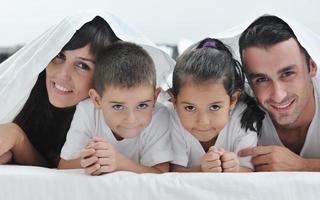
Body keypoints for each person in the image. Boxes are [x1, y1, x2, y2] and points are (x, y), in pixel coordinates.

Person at [0, 11, 174, 167]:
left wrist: (19, 141)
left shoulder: (119, 115)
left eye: (82, 65)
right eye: (59, 55)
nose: (62, 75)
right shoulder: (24, 93)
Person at [58, 42, 173, 175]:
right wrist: (93, 160)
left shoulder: (159, 115)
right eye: (118, 106)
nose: (131, 119)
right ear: (97, 99)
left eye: (142, 105)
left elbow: (161, 174)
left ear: (155, 98)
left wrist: (119, 163)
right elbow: (64, 165)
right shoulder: (87, 111)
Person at [237, 15, 320, 171]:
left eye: (287, 73)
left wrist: (303, 165)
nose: (278, 95)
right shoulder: (236, 107)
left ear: (312, 66)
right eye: (261, 79)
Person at [168, 38, 262, 173]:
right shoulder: (171, 118)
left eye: (215, 107)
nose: (203, 122)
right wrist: (202, 169)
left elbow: (249, 170)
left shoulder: (243, 118)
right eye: (190, 108)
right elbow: (173, 173)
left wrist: (235, 168)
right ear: (174, 101)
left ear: (233, 100)